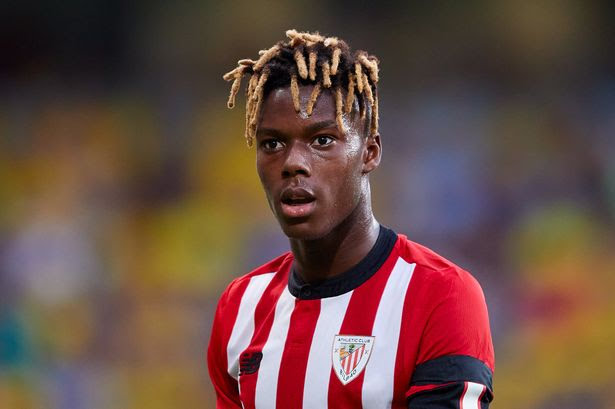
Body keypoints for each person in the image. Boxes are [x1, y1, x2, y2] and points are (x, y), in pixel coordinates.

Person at [207, 30, 494, 409]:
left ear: (370, 153)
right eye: (272, 144)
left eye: (322, 140)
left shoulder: (440, 295)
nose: (293, 163)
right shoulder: (240, 307)